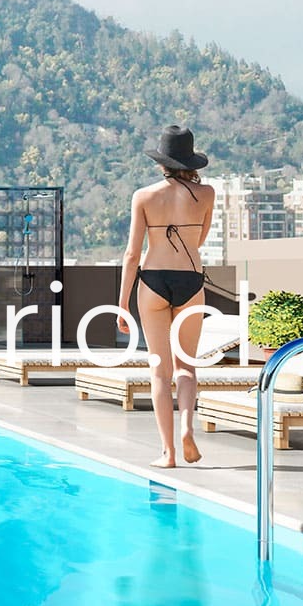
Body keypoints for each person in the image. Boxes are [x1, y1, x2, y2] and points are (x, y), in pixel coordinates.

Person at [117, 126, 215, 468]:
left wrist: (122, 304)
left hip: (153, 280)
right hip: (191, 279)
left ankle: (168, 453)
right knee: (186, 366)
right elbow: (199, 240)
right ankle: (188, 427)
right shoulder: (207, 194)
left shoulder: (143, 196)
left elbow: (132, 254)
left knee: (160, 371)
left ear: (161, 162)